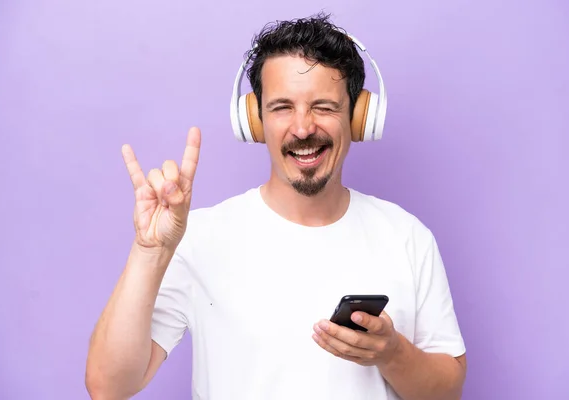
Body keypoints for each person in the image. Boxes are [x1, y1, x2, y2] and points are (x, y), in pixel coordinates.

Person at [85, 13, 467, 400]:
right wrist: (148, 252)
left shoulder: (407, 236)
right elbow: (108, 387)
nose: (303, 129)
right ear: (254, 120)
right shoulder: (198, 238)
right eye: (283, 106)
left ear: (358, 117)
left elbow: (448, 391)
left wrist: (393, 354)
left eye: (324, 106)